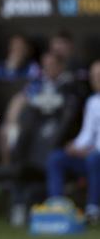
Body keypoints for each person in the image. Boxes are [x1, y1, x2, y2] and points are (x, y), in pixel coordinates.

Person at [46, 59, 100, 224]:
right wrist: (75, 146)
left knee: (93, 158)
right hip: (91, 156)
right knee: (57, 158)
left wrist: (90, 150)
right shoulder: (93, 102)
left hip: (96, 157)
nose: (95, 80)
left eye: (98, 75)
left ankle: (93, 209)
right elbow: (87, 133)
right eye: (93, 76)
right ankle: (57, 206)